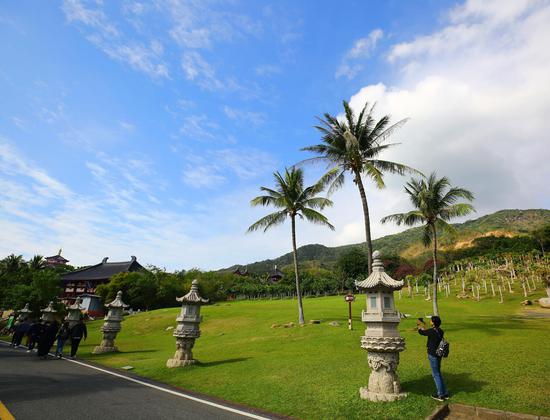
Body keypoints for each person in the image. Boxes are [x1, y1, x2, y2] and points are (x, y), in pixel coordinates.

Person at [417, 315, 449, 401]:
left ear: (433, 322)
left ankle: (440, 395)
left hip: (433, 354)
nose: (430, 321)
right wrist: (424, 326)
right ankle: (445, 393)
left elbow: (422, 332)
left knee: (436, 374)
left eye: (431, 320)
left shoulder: (431, 331)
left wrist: (419, 326)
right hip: (439, 354)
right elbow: (429, 331)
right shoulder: (441, 331)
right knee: (438, 373)